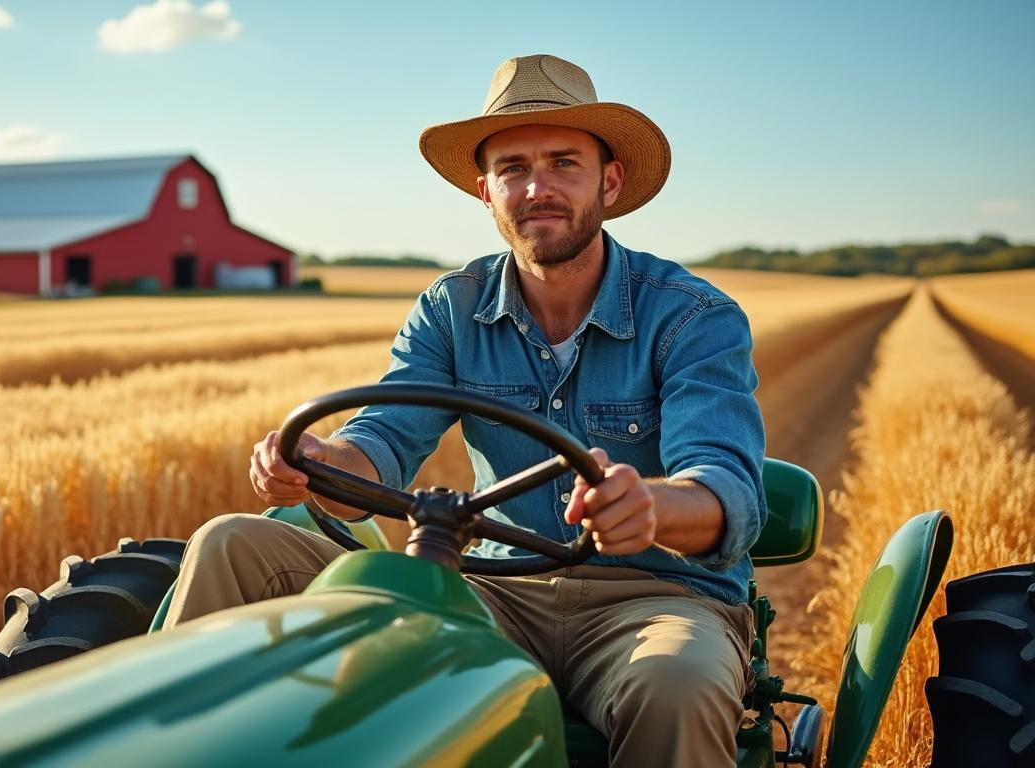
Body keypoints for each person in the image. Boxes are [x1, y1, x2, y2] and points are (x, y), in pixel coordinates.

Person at [163, 54, 766, 767]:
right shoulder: (451, 307)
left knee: (676, 684)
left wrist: (651, 506)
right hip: (494, 589)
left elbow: (727, 486)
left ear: (610, 179)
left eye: (564, 162)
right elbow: (384, 439)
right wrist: (321, 465)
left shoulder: (691, 315)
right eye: (513, 168)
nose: (537, 188)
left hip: (657, 598)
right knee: (232, 542)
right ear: (486, 192)